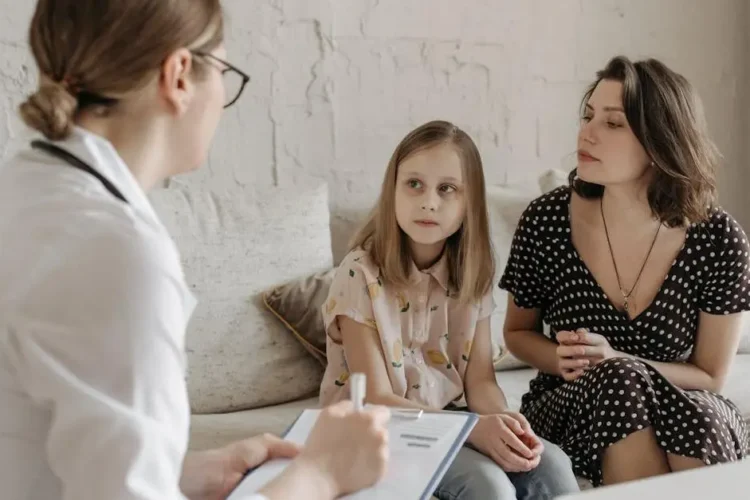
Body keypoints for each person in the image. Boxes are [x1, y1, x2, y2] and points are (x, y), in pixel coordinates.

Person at [0, 1, 391, 499]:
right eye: (224, 70)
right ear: (180, 74)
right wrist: (321, 475)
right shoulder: (115, 252)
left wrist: (179, 472)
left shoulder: (24, 193)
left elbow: (46, 455)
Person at [500, 55, 750, 487]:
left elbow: (710, 376)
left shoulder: (718, 238)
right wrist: (565, 360)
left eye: (613, 124)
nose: (587, 132)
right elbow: (517, 334)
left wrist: (619, 357)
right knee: (619, 380)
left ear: (660, 141)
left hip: (683, 402)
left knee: (703, 415)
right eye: (588, 115)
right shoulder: (546, 220)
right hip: (571, 402)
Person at [319, 120, 580, 499]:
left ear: (468, 202)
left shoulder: (474, 272)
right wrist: (472, 430)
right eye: (414, 185)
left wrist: (502, 422)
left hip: (450, 420)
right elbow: (375, 398)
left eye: (447, 189)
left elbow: (480, 382)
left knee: (552, 464)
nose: (429, 201)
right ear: (392, 191)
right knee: (487, 486)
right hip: (376, 428)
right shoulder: (359, 273)